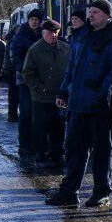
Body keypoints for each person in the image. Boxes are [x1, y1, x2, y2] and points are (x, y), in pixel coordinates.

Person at [46, 0, 112, 209]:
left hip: (100, 106)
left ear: (107, 15)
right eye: (90, 12)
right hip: (77, 102)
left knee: (101, 151)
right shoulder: (83, 36)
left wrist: (104, 96)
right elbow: (72, 67)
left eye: (95, 12)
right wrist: (64, 90)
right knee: (74, 149)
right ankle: (69, 191)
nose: (90, 16)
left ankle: (101, 193)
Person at [22, 19, 70, 171]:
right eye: (50, 33)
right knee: (40, 128)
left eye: (56, 32)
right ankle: (41, 156)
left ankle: (58, 155)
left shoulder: (65, 48)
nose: (53, 36)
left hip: (60, 97)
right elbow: (27, 73)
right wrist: (39, 88)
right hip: (41, 97)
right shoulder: (35, 50)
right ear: (43, 33)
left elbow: (70, 70)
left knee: (59, 128)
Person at [5, 9, 43, 157]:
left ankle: (37, 144)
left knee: (38, 113)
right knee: (26, 112)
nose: (34, 22)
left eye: (37, 19)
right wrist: (26, 69)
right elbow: (14, 55)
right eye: (32, 19)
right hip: (24, 79)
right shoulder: (21, 35)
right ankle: (24, 144)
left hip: (41, 80)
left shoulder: (43, 33)